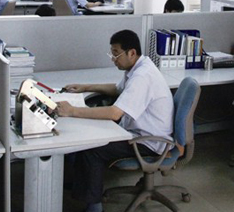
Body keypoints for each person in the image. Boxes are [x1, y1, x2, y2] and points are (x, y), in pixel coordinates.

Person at [57, 30, 174, 212]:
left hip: (147, 142)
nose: (113, 59)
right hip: (136, 131)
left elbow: (114, 113)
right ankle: (82, 184)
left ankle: (94, 207)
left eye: (116, 54)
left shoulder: (143, 76)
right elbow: (118, 89)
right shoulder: (137, 68)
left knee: (92, 149)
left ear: (131, 53)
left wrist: (72, 110)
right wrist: (85, 87)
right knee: (86, 137)